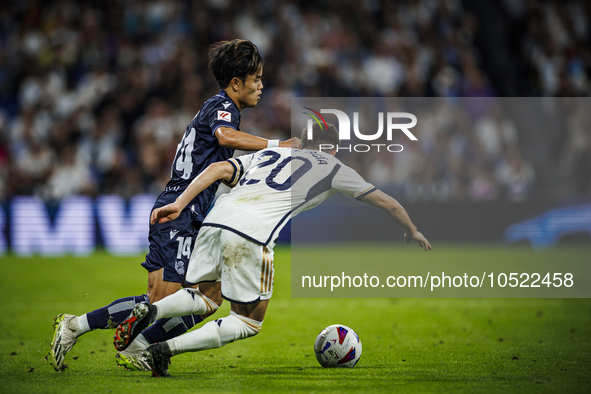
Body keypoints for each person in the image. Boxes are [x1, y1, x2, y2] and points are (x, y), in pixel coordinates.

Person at [49, 39, 299, 372]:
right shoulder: (222, 107)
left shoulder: (221, 110)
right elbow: (227, 138)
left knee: (210, 297)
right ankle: (76, 325)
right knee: (160, 300)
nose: (262, 86)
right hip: (181, 211)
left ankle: (141, 345)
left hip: (195, 214)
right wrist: (278, 145)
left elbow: (222, 169)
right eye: (256, 79)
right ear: (236, 83)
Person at [113, 122, 431, 377]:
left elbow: (218, 169)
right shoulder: (334, 166)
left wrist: (180, 203)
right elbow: (388, 203)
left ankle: (151, 310)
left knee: (204, 297)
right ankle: (163, 351)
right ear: (333, 148)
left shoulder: (271, 153)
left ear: (301, 142)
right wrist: (411, 229)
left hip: (214, 222)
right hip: (251, 232)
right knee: (248, 322)